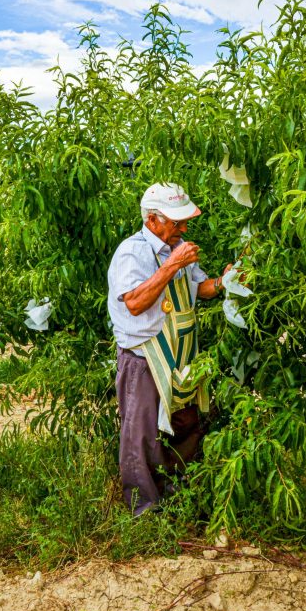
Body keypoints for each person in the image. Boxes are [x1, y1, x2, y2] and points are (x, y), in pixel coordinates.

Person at [107, 182, 230, 515]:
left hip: (179, 355)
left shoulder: (178, 249)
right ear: (152, 220)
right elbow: (134, 302)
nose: (183, 228)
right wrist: (172, 265)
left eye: (184, 222)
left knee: (185, 424)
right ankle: (144, 510)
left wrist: (224, 282)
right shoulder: (131, 253)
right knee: (142, 435)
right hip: (145, 358)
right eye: (177, 222)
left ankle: (180, 500)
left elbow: (199, 289)